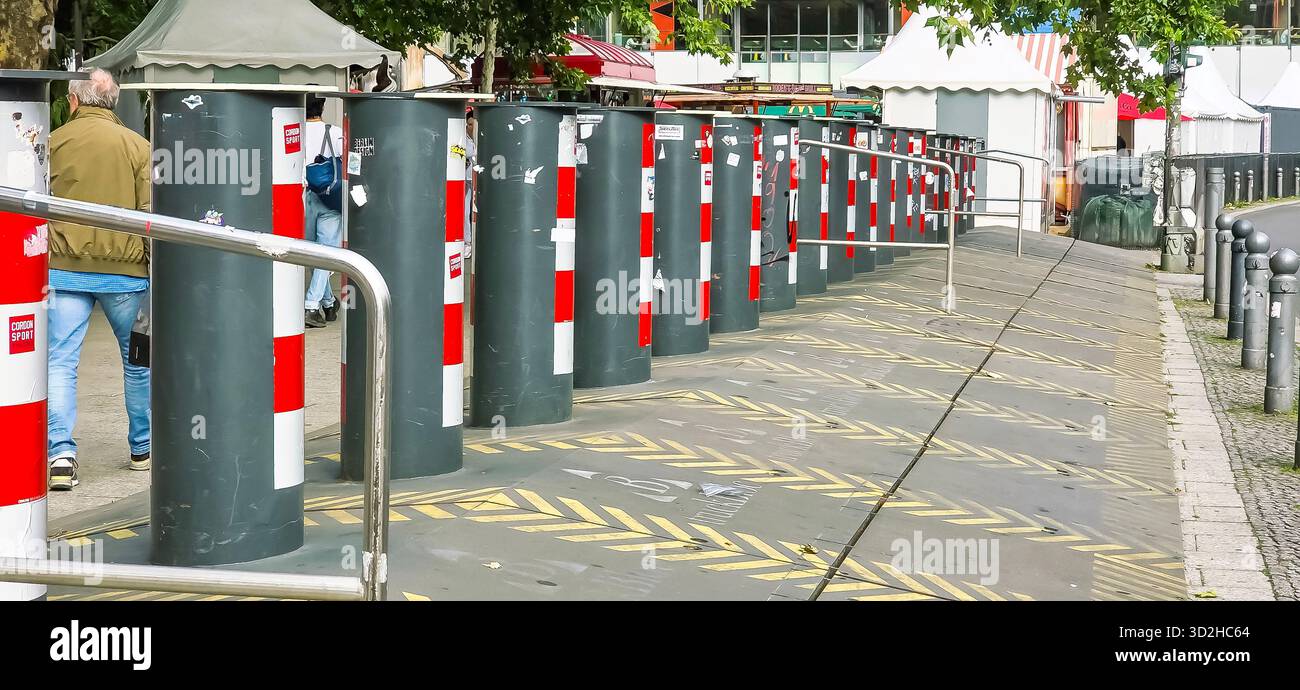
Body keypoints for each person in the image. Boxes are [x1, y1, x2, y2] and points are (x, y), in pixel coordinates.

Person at [46, 68, 152, 490]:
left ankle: (61, 455)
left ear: (73, 101)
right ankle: (141, 448)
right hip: (127, 276)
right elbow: (149, 214)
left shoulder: (51, 143)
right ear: (113, 102)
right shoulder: (138, 147)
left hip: (63, 269)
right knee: (138, 362)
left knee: (61, 361)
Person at [303, 96, 343, 328]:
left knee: (312, 252)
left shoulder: (294, 132)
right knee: (325, 252)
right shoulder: (334, 132)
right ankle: (312, 305)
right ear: (322, 107)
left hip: (303, 196)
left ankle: (328, 303)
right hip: (330, 197)